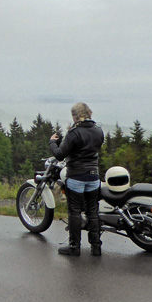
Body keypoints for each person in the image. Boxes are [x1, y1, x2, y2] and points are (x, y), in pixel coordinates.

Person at [49, 102, 105, 256]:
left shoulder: (74, 133)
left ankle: (74, 247)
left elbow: (60, 154)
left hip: (76, 175)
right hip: (93, 176)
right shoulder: (98, 131)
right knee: (92, 211)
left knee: (74, 212)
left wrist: (52, 142)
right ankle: (96, 247)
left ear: (75, 116)